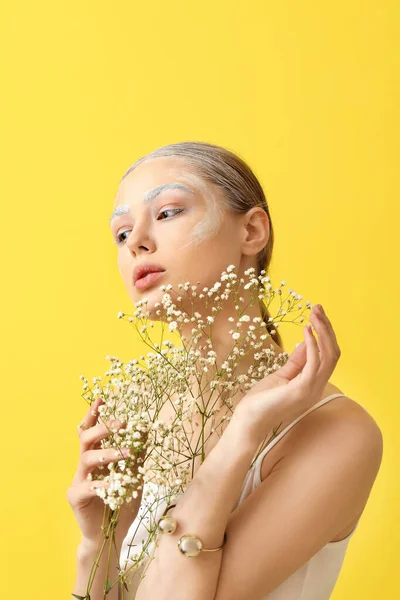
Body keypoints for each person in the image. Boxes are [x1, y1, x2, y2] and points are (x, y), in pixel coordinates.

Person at [68, 141, 383, 600]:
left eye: (168, 212)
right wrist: (99, 539)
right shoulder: (143, 412)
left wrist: (242, 436)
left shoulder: (336, 432)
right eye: (120, 233)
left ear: (252, 231)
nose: (136, 241)